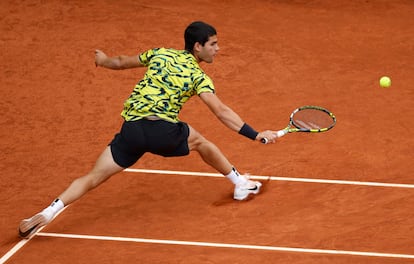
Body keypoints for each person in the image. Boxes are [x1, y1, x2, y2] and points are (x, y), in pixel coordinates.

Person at [18, 21, 278, 238]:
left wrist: (103, 59)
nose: (218, 49)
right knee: (201, 143)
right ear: (198, 47)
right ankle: (240, 184)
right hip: (161, 131)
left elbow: (120, 62)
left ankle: (47, 212)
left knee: (93, 176)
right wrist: (256, 135)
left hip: (131, 130)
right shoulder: (198, 77)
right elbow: (221, 112)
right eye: (213, 44)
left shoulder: (160, 53)